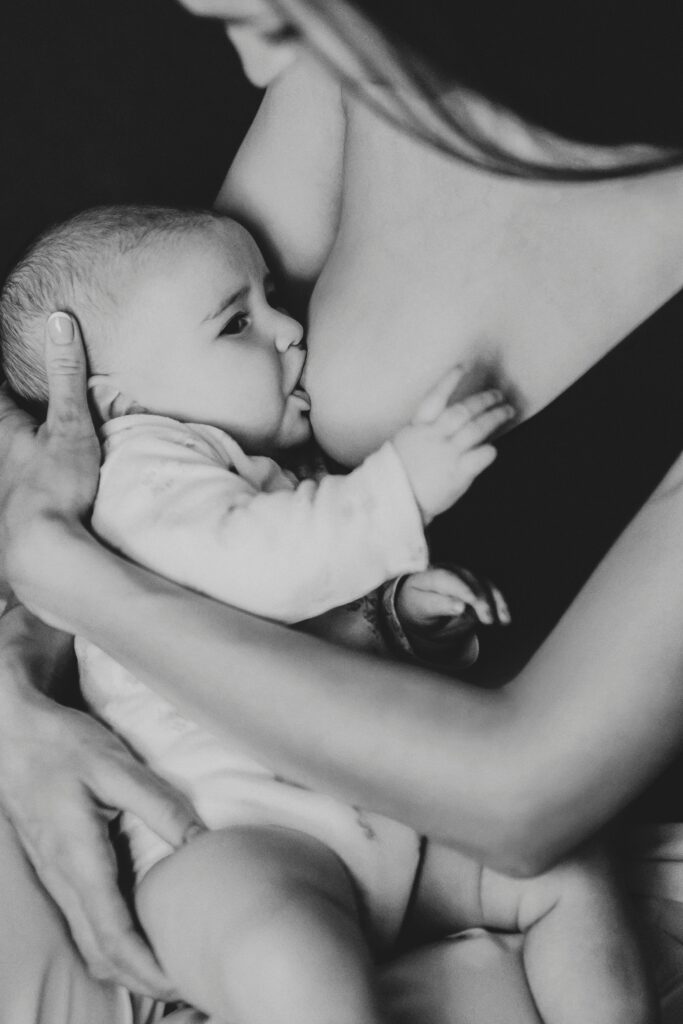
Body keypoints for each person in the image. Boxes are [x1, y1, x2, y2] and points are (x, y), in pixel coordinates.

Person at [2, 1, 683, 1022]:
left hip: (466, 806)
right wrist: (15, 691)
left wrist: (70, 577)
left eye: (269, 10)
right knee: (280, 956)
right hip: (231, 820)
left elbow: (522, 799)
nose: (253, 59)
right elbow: (142, 331)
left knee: (569, 882)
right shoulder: (156, 451)